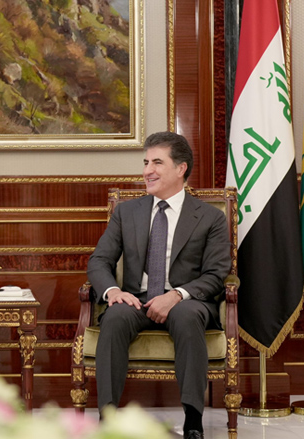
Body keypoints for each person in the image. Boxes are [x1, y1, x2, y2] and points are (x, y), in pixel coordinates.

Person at [87, 131, 230, 439]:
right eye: (145, 162)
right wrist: (114, 292)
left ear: (181, 169)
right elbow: (99, 261)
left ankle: (193, 420)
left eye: (157, 162)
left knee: (187, 315)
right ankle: (107, 418)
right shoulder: (127, 212)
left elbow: (217, 272)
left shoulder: (209, 216)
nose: (147, 170)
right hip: (137, 299)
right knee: (114, 316)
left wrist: (176, 295)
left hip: (187, 300)